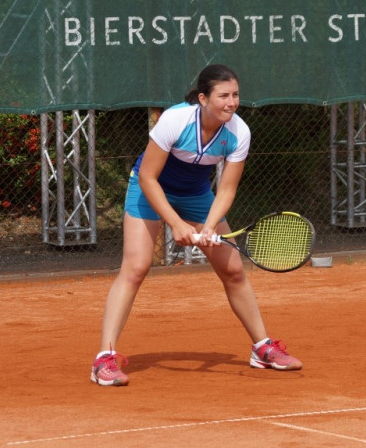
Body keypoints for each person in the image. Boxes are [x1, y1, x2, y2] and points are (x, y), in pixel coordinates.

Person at [91, 64, 302, 386]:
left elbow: (226, 190)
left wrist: (210, 226)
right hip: (150, 188)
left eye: (235, 95)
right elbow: (148, 177)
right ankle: (104, 359)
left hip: (196, 195)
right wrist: (175, 224)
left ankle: (262, 348)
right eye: (223, 96)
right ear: (203, 98)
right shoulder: (175, 120)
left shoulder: (239, 132)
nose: (231, 102)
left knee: (233, 270)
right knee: (136, 267)